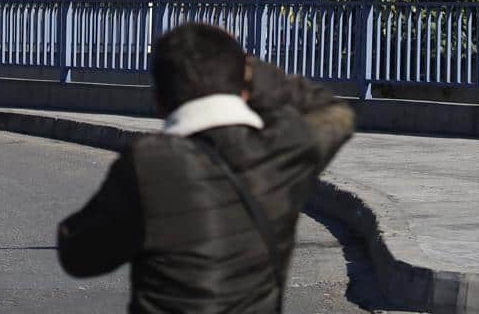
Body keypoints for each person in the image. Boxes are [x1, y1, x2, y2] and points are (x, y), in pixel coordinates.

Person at [57, 21, 356, 314]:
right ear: (243, 90)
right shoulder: (282, 149)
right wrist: (248, 68)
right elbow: (335, 112)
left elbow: (79, 256)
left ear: (158, 101)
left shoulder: (148, 163)